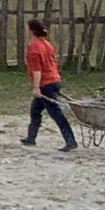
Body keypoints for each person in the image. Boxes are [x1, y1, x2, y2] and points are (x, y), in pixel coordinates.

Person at [23, 18, 75, 149]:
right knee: (35, 110)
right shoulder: (47, 44)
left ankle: (70, 140)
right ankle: (30, 138)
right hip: (54, 80)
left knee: (56, 113)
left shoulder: (33, 46)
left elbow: (37, 69)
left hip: (45, 83)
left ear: (32, 30)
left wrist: (36, 88)